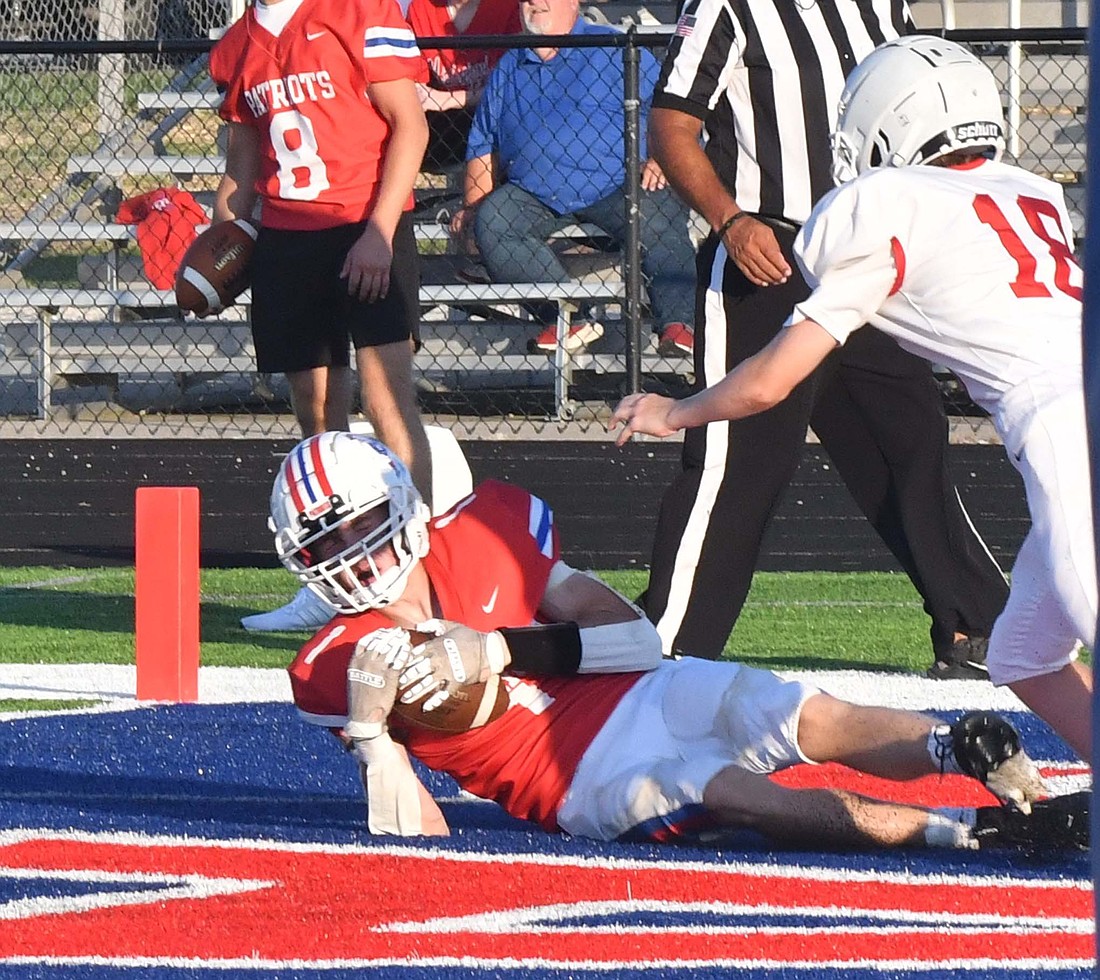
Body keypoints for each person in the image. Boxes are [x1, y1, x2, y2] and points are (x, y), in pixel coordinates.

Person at [611, 37, 1094, 764]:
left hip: (1064, 425)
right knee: (1024, 651)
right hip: (1069, 406)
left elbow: (773, 379)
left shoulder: (889, 203)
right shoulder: (1029, 191)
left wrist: (675, 411)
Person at [270, 430, 1088, 851]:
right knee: (736, 790)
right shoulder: (333, 661)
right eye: (325, 548)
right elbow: (415, 848)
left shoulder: (485, 534)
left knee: (798, 710)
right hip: (580, 779)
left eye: (364, 528)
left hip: (639, 688)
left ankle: (965, 749)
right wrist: (375, 741)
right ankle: (965, 833)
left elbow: (635, 639)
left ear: (404, 505)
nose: (354, 558)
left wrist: (500, 648)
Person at [638, 0, 1010, 679]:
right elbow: (670, 123)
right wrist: (729, 222)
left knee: (911, 441)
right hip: (769, 251)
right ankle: (666, 642)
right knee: (739, 459)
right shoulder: (728, 5)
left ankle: (975, 625)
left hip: (867, 254)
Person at [209, 0, 434, 631]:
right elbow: (243, 168)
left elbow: (410, 127)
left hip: (362, 221)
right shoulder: (237, 44)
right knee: (316, 416)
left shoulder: (359, 10)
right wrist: (223, 234)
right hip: (287, 235)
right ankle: (332, 580)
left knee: (389, 401)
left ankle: (423, 573)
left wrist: (381, 233)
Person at [448, 0, 697, 357]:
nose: (534, 2)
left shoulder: (610, 47)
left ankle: (678, 325)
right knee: (493, 220)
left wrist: (661, 158)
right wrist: (472, 207)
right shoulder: (510, 65)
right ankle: (567, 318)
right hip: (534, 193)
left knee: (658, 216)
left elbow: (669, 106)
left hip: (619, 183)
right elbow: (484, 144)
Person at [404, 0, 522, 170]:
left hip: (495, 114)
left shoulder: (506, 6)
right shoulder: (421, 8)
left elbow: (513, 84)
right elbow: (416, 77)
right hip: (446, 123)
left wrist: (448, 99)